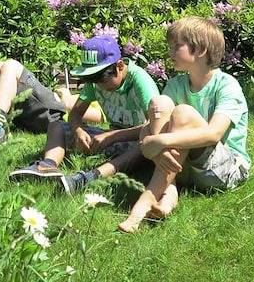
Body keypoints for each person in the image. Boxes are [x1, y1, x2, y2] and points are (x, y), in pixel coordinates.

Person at [118, 16, 250, 233]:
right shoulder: (176, 84)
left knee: (182, 113)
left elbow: (213, 135)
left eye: (176, 46)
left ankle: (145, 201)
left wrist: (160, 141)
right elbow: (151, 126)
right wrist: (149, 139)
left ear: (200, 50)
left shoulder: (227, 85)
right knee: (160, 103)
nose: (170, 53)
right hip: (185, 166)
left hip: (226, 170)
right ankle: (169, 192)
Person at [9, 36, 165, 194]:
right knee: (57, 125)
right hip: (111, 137)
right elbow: (75, 113)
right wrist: (78, 130)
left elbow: (153, 127)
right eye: (92, 80)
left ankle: (90, 177)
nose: (99, 86)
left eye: (102, 79)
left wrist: (112, 136)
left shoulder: (140, 81)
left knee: (143, 143)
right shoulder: (96, 83)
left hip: (139, 142)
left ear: (119, 66)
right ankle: (47, 166)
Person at [0, 59, 102, 145]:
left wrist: (67, 98)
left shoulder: (104, 98)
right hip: (41, 111)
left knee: (11, 65)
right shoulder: (91, 90)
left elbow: (97, 117)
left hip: (54, 114)